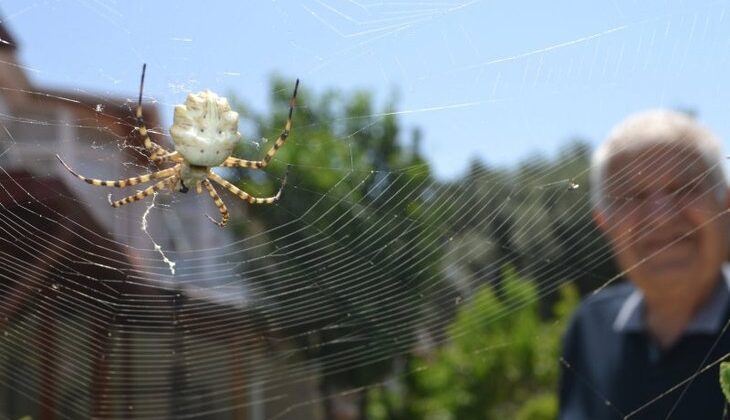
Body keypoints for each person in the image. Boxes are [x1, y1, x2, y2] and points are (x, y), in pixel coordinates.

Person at [558, 109, 730, 419]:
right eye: (633, 197)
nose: (661, 217)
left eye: (684, 189)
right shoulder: (589, 326)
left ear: (726, 203)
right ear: (604, 221)